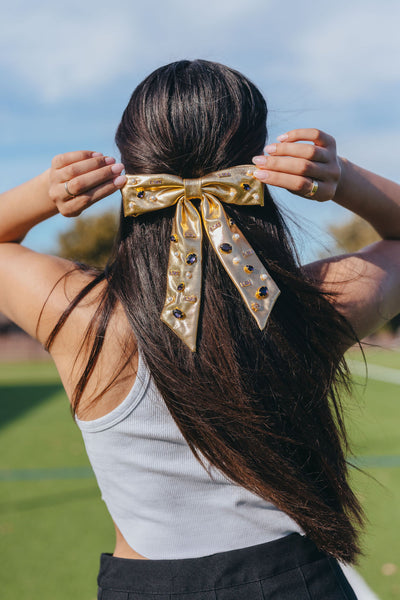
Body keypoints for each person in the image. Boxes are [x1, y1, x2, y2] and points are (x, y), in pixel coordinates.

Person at [0, 59, 399, 600]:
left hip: (147, 587)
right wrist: (344, 178)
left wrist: (46, 192)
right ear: (260, 166)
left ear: (133, 166)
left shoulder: (85, 317)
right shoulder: (308, 308)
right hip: (297, 582)